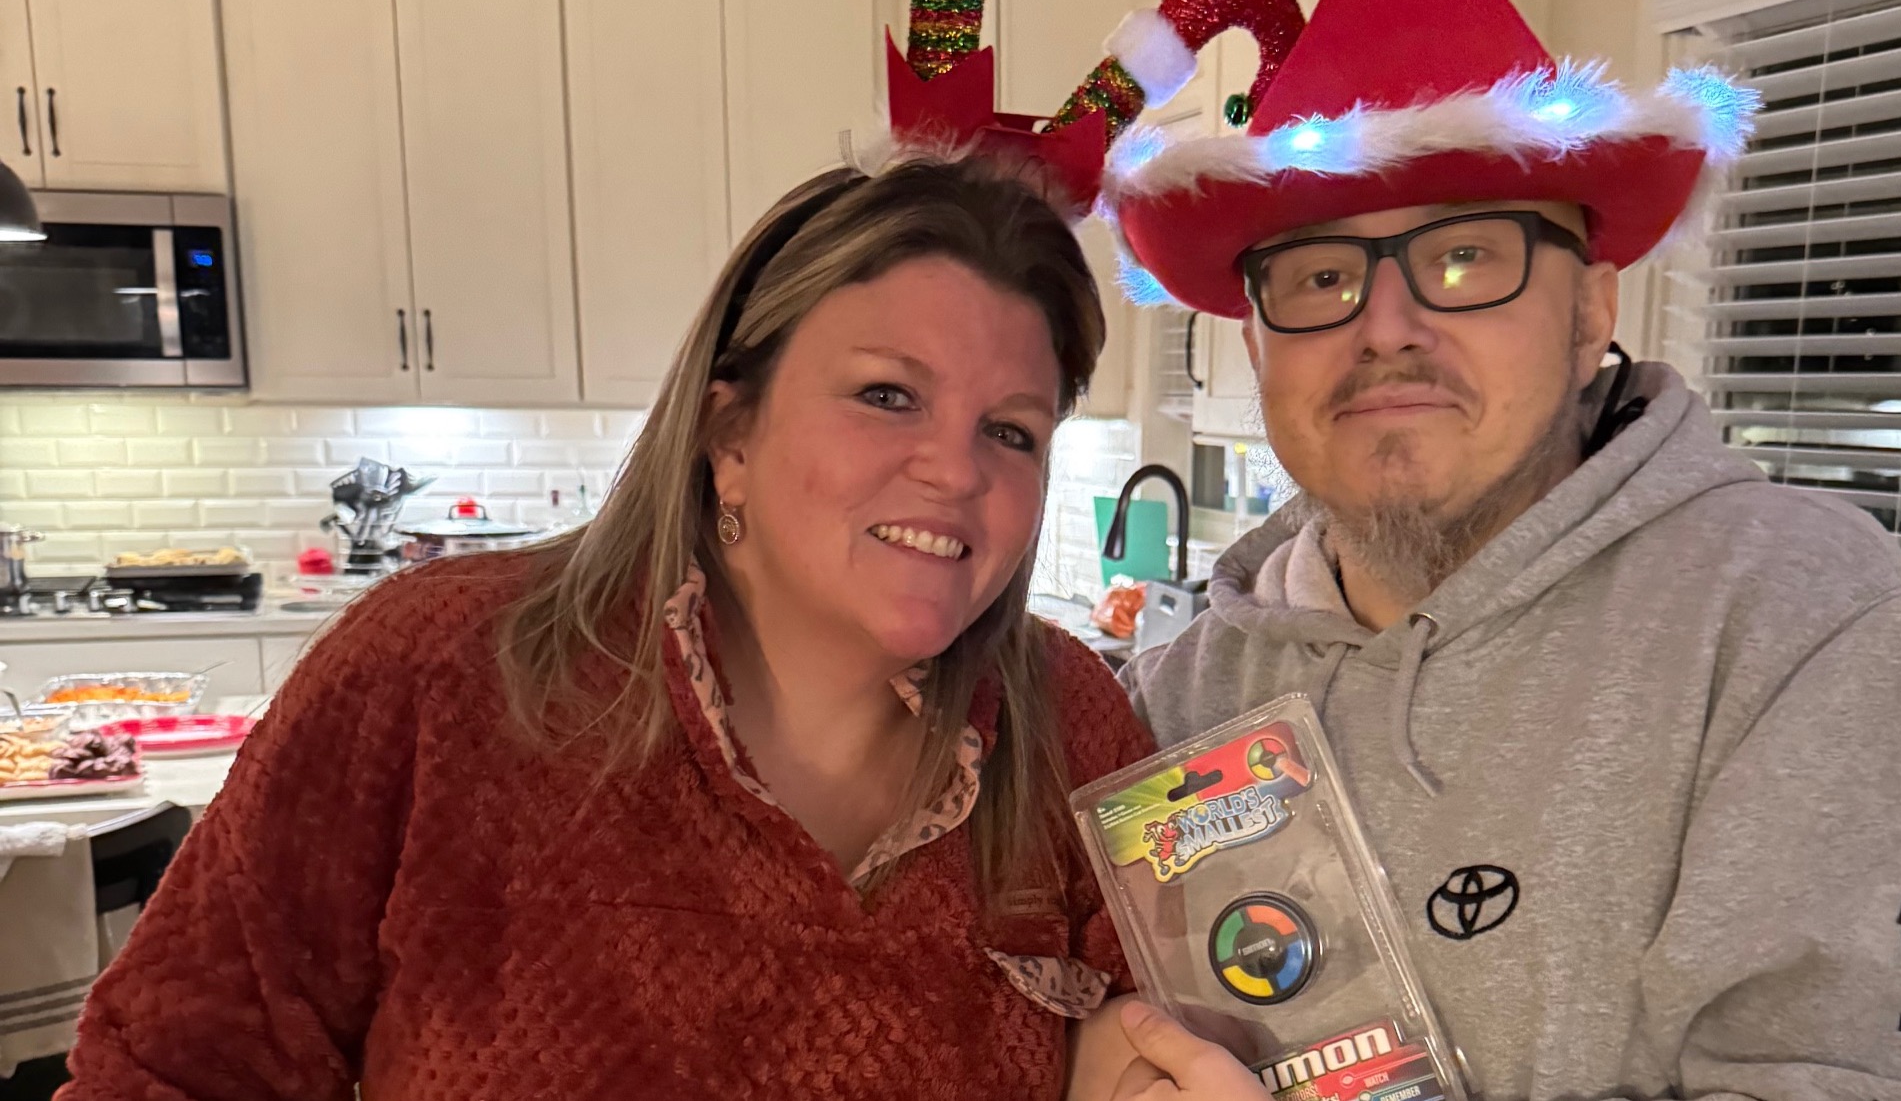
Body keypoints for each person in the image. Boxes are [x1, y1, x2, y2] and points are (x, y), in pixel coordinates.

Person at [1081, 0, 1901, 1101]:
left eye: (1464, 258)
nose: (1385, 326)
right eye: (1318, 276)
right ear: (1257, 345)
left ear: (1591, 311)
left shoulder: (1809, 627)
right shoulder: (1176, 700)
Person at [56, 158, 1159, 1100]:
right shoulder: (442, 666)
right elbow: (171, 1067)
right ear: (729, 431)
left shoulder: (1075, 722)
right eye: (887, 395)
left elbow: (1191, 1011)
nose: (957, 471)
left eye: (1012, 431)